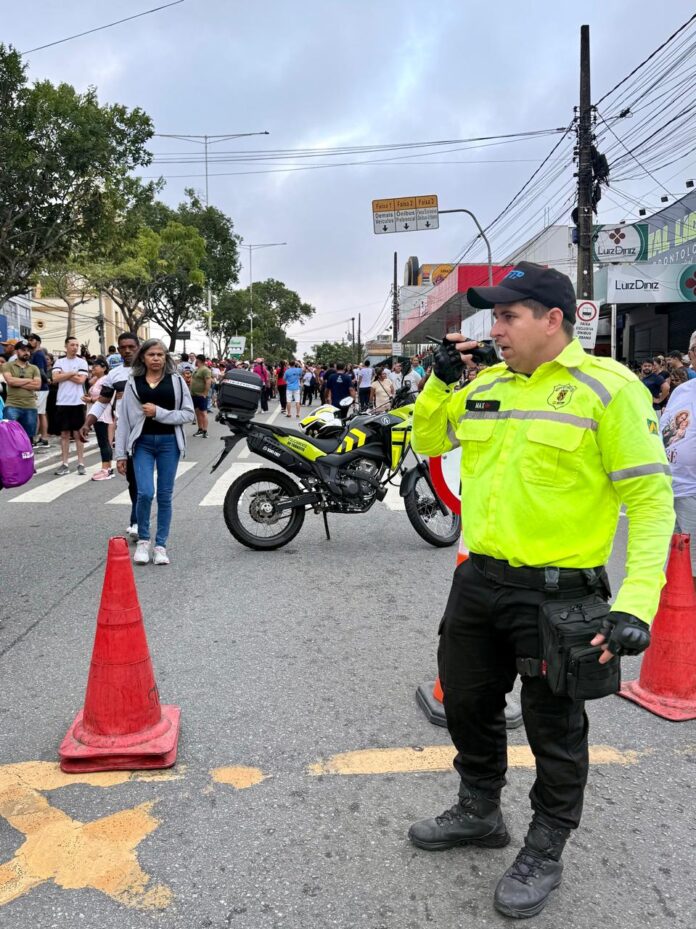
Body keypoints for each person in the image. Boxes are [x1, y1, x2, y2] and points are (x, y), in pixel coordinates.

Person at [409, 261, 674, 919]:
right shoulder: (487, 385)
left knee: (556, 725)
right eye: (492, 317)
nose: (494, 329)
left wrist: (635, 604)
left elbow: (650, 501)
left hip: (561, 595)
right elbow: (427, 438)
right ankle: (479, 807)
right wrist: (440, 384)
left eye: (507, 315)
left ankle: (547, 844)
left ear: (553, 319)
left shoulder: (608, 390)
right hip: (480, 580)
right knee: (467, 701)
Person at [115, 339, 194, 565]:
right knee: (145, 492)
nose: (157, 358)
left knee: (165, 495)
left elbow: (188, 414)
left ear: (166, 357)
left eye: (161, 354)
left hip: (170, 443)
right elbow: (125, 421)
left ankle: (160, 545)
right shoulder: (133, 382)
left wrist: (159, 413)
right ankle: (143, 541)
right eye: (152, 355)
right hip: (142, 444)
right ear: (143, 357)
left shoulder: (177, 382)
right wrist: (120, 454)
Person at [80, 332, 141, 537]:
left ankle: (137, 520)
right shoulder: (114, 375)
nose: (127, 351)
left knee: (143, 480)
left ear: (138, 347)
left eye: (131, 347)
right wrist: (88, 424)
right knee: (133, 480)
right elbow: (102, 402)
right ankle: (137, 519)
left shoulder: (149, 370)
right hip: (125, 432)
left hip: (148, 432)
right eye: (123, 347)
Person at [661, 358, 696, 588]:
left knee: (693, 561)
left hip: (693, 491)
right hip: (668, 487)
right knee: (673, 560)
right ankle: (677, 616)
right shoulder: (681, 391)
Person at [52, 337, 89, 476]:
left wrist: (64, 375)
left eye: (77, 345)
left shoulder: (82, 362)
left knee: (78, 433)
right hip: (62, 402)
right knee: (64, 434)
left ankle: (81, 463)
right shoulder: (59, 361)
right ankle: (65, 463)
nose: (75, 347)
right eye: (72, 345)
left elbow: (81, 380)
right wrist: (72, 373)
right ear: (66, 346)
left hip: (77, 402)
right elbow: (55, 378)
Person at [1, 340, 40, 441]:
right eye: (23, 350)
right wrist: (28, 380)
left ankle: (26, 457)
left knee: (28, 438)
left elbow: (37, 385)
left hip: (30, 406)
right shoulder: (7, 365)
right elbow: (10, 381)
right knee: (9, 436)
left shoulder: (34, 368)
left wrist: (17, 382)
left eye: (28, 350)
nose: (26, 352)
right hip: (12, 405)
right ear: (17, 351)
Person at [85, 357, 114, 480]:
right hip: (96, 412)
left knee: (104, 441)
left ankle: (106, 468)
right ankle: (106, 467)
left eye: (96, 366)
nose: (93, 368)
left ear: (104, 368)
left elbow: (106, 396)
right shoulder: (97, 380)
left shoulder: (105, 380)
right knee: (102, 441)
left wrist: (91, 399)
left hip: (102, 413)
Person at [27, 333, 50, 447]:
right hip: (40, 387)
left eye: (31, 340)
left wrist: (47, 380)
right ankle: (43, 437)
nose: (29, 342)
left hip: (40, 387)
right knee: (41, 413)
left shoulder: (38, 354)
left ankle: (36, 438)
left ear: (37, 341)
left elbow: (40, 370)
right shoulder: (35, 354)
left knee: (37, 413)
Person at [191, 355, 212, 437]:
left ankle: (205, 431)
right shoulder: (197, 369)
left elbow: (208, 382)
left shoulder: (205, 370)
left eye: (196, 360)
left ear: (198, 360)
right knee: (197, 413)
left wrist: (205, 393)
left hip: (201, 395)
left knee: (203, 413)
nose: (195, 361)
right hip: (194, 395)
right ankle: (200, 429)